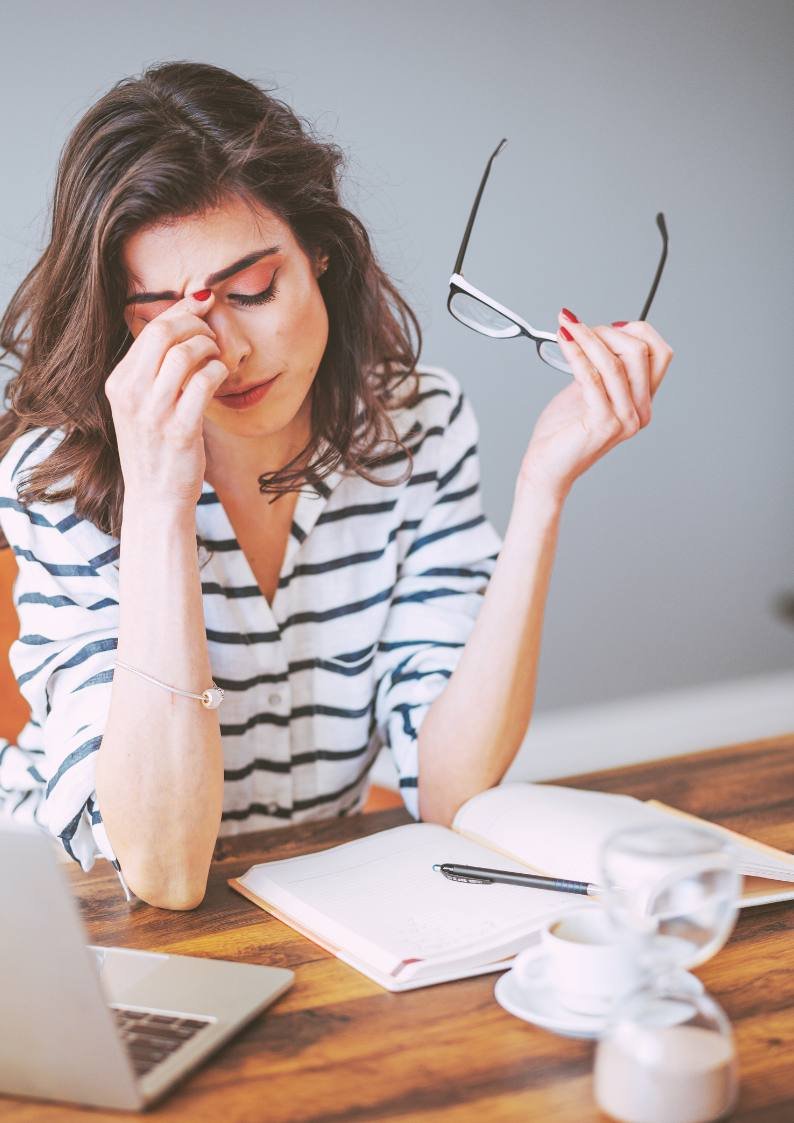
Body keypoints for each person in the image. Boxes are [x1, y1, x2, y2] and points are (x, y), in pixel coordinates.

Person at [0, 61, 673, 911]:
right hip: (71, 915)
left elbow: (451, 794)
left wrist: (542, 489)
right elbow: (162, 873)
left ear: (319, 249)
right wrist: (163, 504)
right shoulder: (59, 478)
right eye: (165, 316)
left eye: (251, 290)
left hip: (308, 900)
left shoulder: (414, 424)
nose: (228, 352)